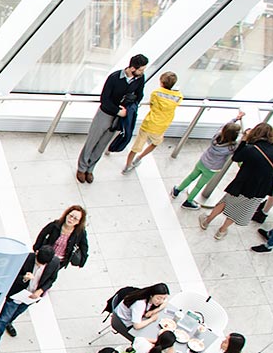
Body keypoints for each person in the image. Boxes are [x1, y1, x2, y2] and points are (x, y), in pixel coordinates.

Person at [200, 123, 273, 241]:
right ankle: (221, 231)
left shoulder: (250, 149)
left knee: (225, 201)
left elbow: (236, 157)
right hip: (261, 187)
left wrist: (244, 140)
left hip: (243, 183)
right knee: (242, 209)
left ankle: (207, 221)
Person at [77, 55, 146, 183]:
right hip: (105, 114)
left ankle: (90, 169)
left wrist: (129, 107)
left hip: (118, 119)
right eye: (140, 70)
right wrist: (118, 111)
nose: (142, 72)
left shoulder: (139, 79)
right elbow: (104, 99)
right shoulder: (115, 78)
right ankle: (82, 167)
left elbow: (139, 96)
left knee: (102, 144)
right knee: (92, 141)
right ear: (132, 68)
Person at [0, 244, 60, 353]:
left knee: (16, 313)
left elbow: (51, 279)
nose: (39, 265)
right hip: (17, 294)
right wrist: (24, 278)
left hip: (31, 297)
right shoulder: (25, 259)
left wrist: (41, 290)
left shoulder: (54, 263)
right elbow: (10, 277)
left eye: (43, 264)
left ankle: (10, 322)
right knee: (2, 320)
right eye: (38, 262)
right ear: (37, 252)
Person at [174, 114, 245, 209]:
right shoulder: (231, 147)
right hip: (212, 168)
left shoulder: (217, 136)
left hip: (202, 161)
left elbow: (225, 126)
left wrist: (236, 118)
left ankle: (177, 190)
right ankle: (188, 201)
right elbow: (241, 145)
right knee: (199, 186)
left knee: (191, 177)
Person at [121, 72, 181, 175]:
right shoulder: (178, 97)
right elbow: (178, 100)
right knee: (155, 143)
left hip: (149, 124)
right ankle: (139, 158)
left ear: (161, 82)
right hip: (161, 127)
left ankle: (127, 166)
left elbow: (152, 104)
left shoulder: (156, 93)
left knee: (136, 147)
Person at [33, 205, 91, 270]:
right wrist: (37, 248)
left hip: (59, 262)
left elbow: (84, 247)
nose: (71, 219)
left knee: (48, 277)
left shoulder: (80, 232)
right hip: (46, 256)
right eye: (70, 216)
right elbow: (42, 234)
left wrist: (82, 262)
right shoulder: (55, 225)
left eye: (75, 219)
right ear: (66, 215)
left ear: (78, 222)